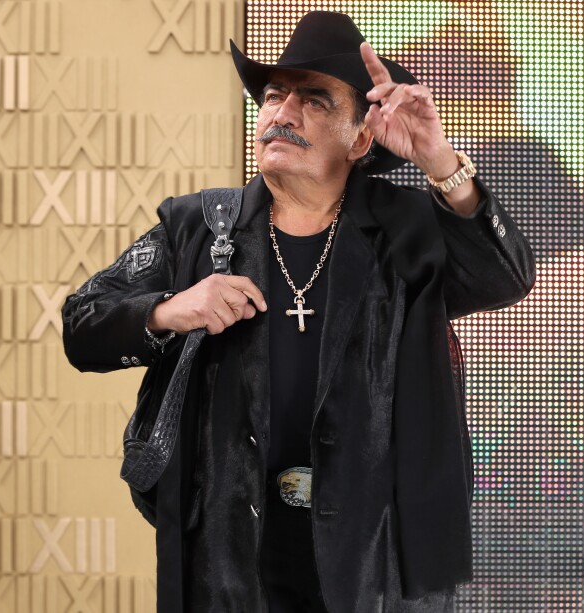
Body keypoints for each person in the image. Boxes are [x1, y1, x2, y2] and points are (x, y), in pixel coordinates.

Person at [62, 11, 535, 613]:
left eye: (313, 100)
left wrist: (438, 158)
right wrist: (171, 308)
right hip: (228, 553)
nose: (282, 113)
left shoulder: (405, 231)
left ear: (361, 137)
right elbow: (83, 323)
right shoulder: (199, 228)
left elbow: (505, 274)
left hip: (373, 556)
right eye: (274, 95)